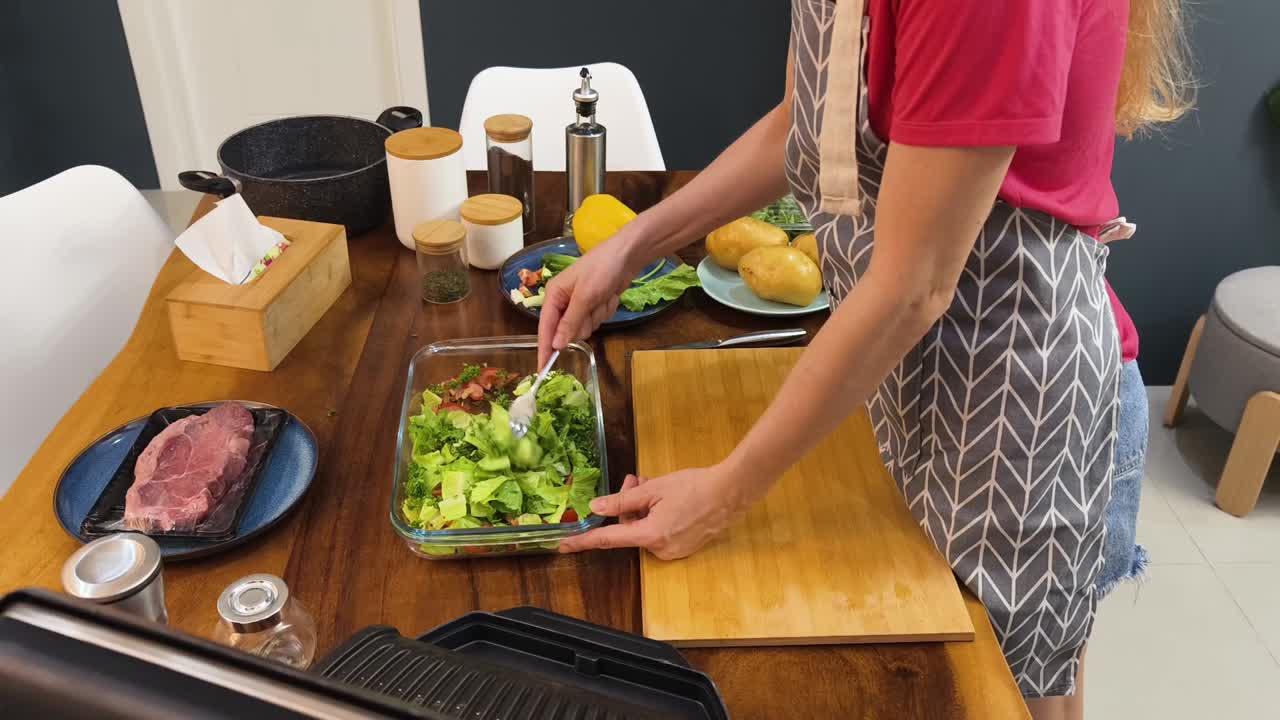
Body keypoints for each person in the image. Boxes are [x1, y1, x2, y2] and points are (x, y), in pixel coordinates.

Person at [540, 1, 1192, 717]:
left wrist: (723, 494)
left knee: (1011, 699)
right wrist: (631, 248)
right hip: (906, 380)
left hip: (1021, 415)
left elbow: (913, 288)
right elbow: (801, 127)